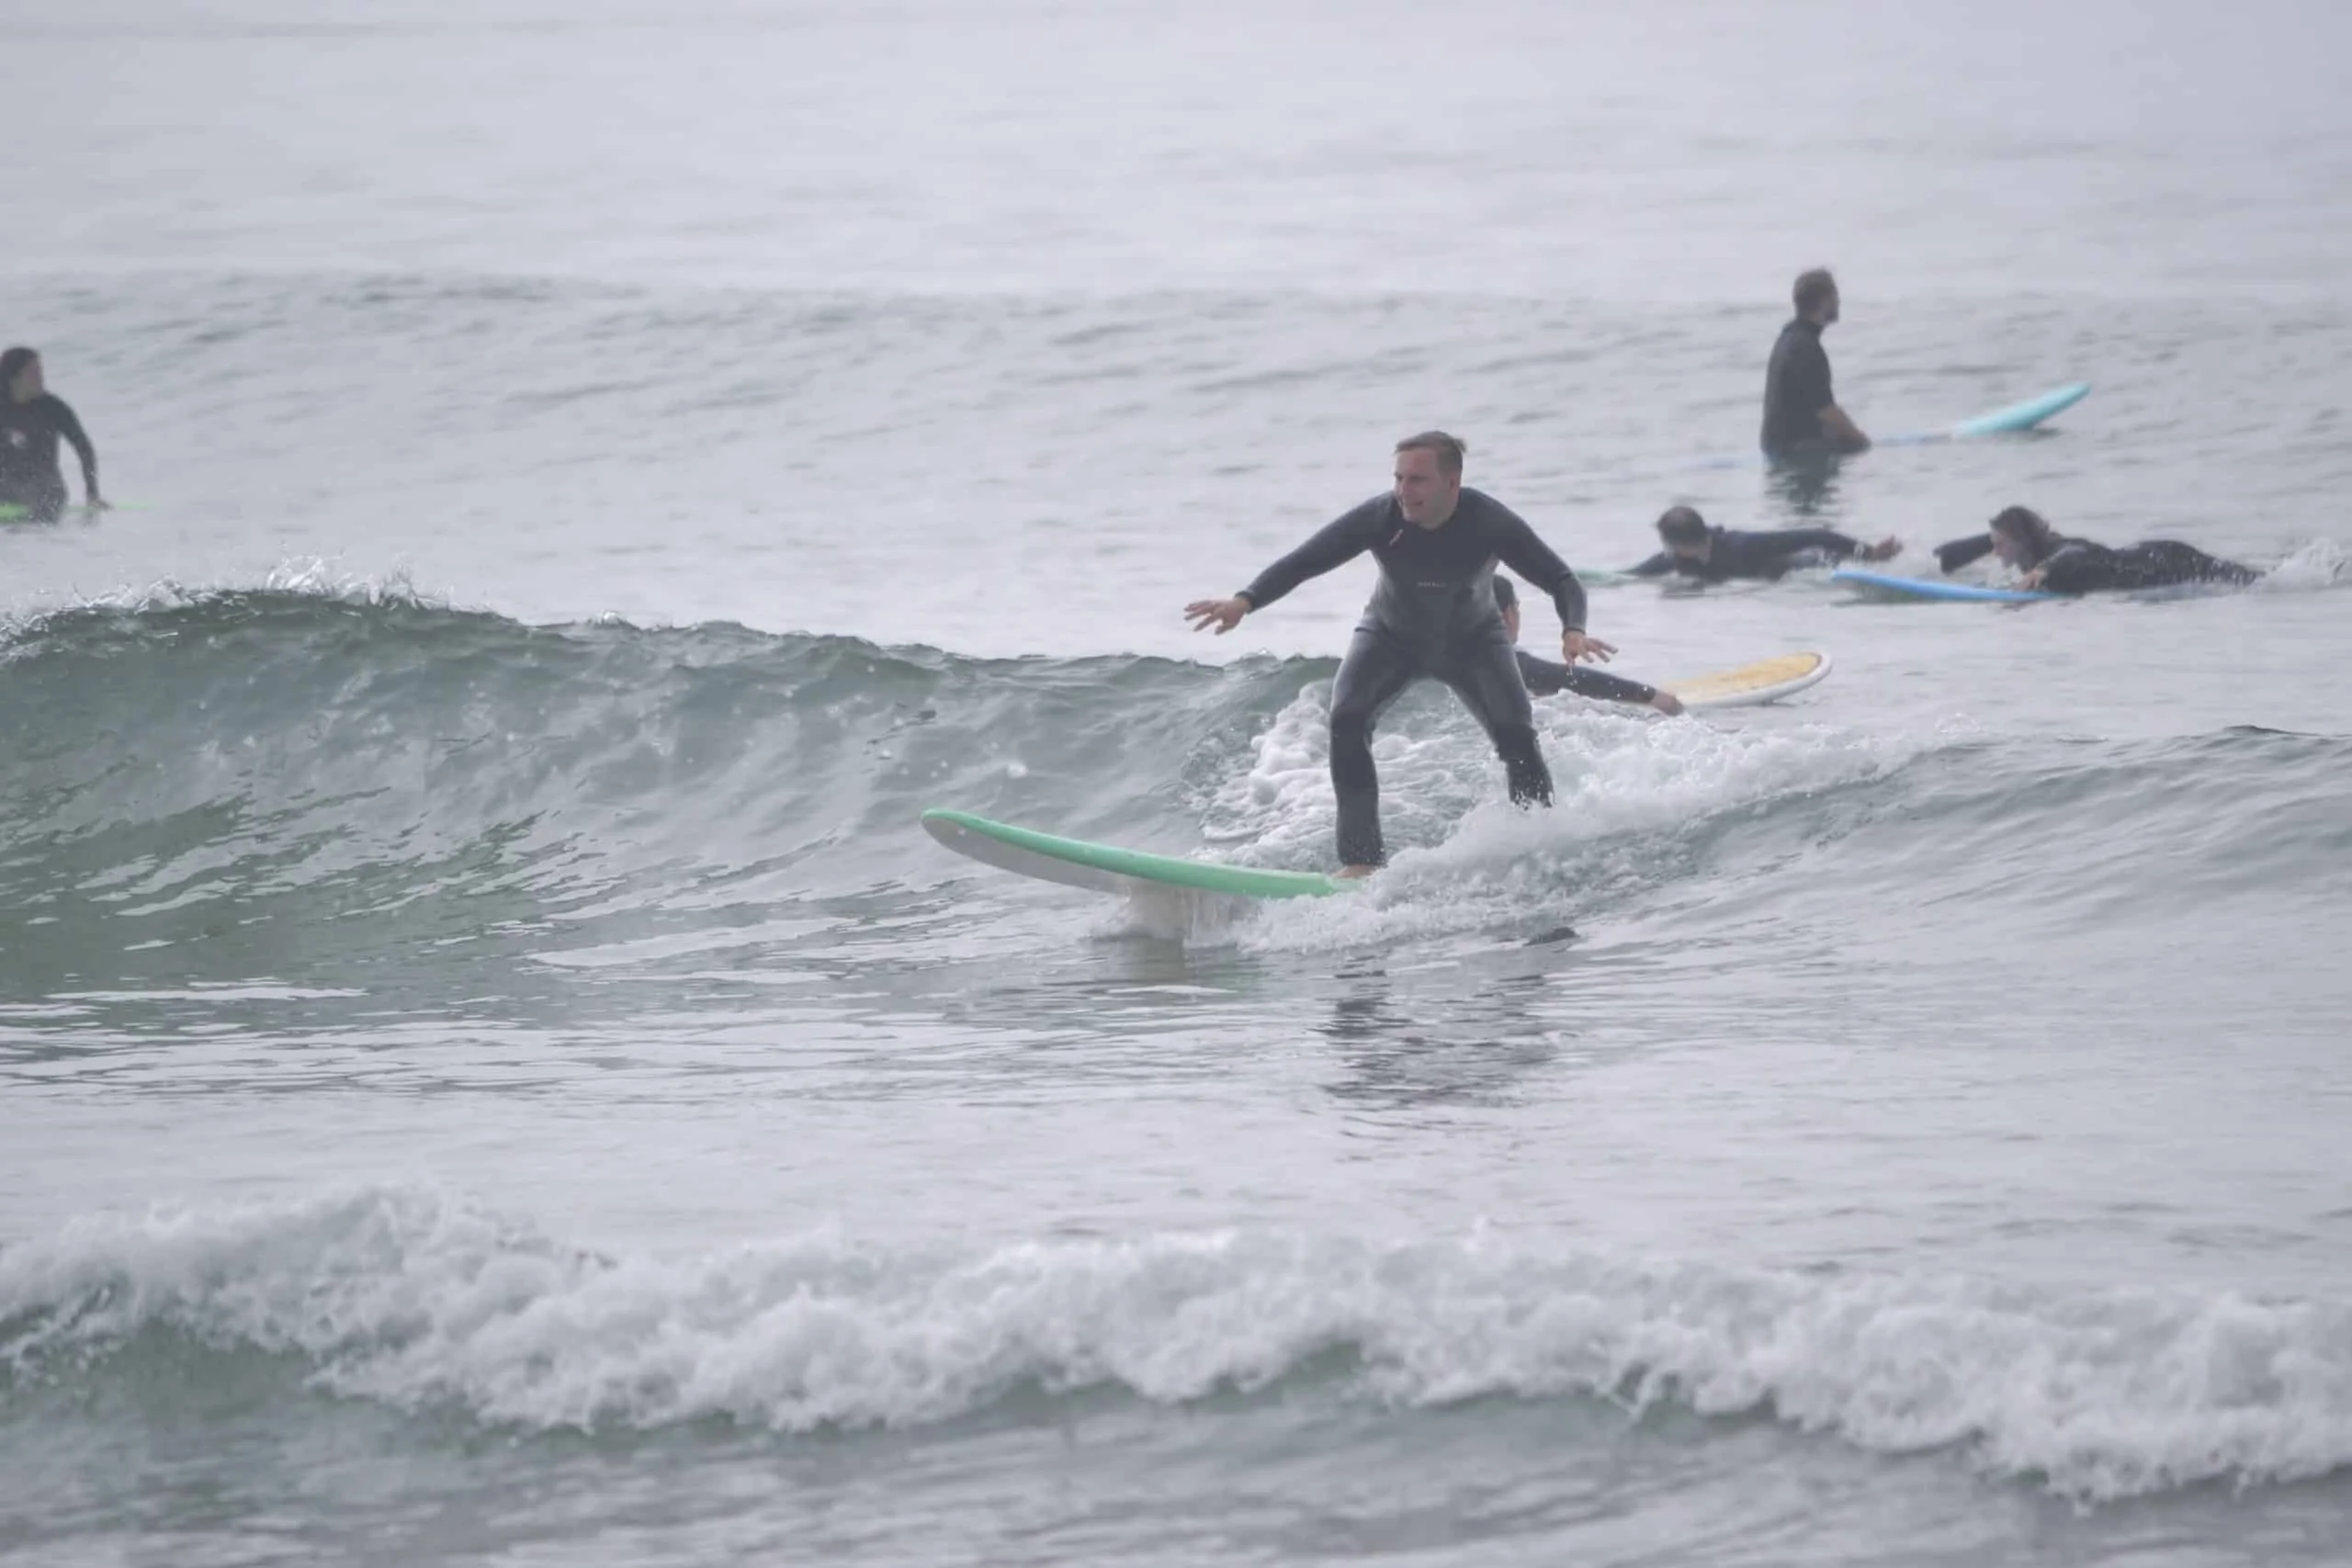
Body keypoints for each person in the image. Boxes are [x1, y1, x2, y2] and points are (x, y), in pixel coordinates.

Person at [1185, 431, 1613, 877]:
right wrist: (1245, 600)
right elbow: (1306, 560)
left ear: (1452, 482)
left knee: (1516, 734)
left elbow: (1561, 578)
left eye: (1417, 480)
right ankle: (1362, 861)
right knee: (1347, 719)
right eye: (1398, 478)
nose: (1403, 491)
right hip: (1390, 637)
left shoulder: (1489, 521)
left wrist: (1573, 629)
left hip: (1473, 641)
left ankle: (1538, 837)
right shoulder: (1380, 517)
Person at [1491, 577, 1683, 716]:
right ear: (1509, 614)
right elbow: (1571, 680)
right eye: (1517, 607)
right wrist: (1653, 696)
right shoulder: (1505, 662)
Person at [1973, 505, 2259, 593]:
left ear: (2020, 541)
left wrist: (2045, 569)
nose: (1995, 552)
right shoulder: (2032, 565)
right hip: (2151, 564)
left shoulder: (2057, 552)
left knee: (2252, 581)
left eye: (1999, 545)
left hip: (2162, 561)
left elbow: (2077, 553)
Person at [1626, 504, 1899, 582]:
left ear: (1681, 543)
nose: (1666, 549)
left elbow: (1814, 534)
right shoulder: (1677, 558)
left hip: (1806, 563)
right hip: (1767, 577)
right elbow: (1634, 575)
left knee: (1814, 562)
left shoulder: (1743, 545)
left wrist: (1867, 552)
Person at [1760, 268, 1870, 458]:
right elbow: (1827, 411)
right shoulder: (1806, 348)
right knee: (1860, 447)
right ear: (1824, 301)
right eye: (1835, 296)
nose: (1839, 302)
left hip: (1775, 443)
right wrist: (1861, 439)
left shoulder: (1788, 337)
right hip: (1795, 447)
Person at [0, 347, 104, 524]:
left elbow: (84, 448)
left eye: (40, 371)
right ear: (14, 378)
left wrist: (92, 494)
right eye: (33, 372)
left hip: (46, 487)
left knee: (43, 498)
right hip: (6, 485)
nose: (41, 377)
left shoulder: (53, 408)